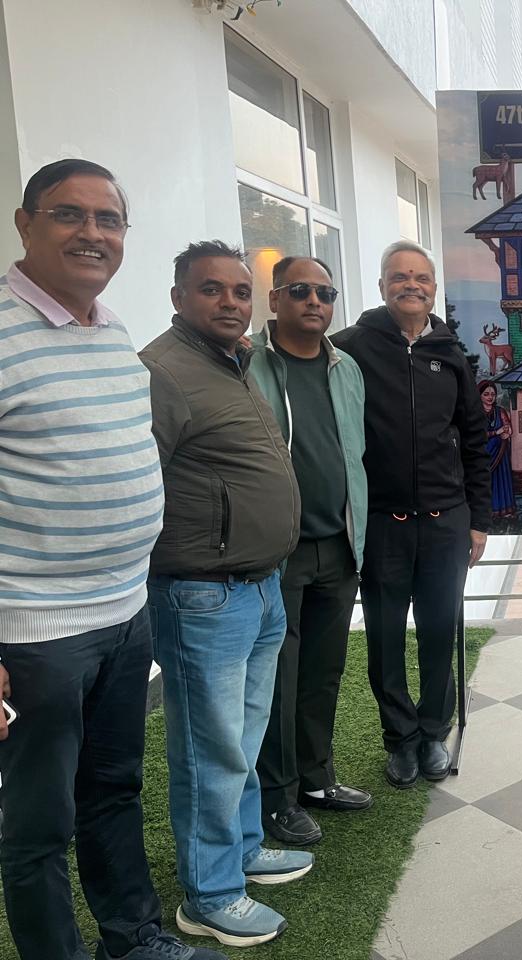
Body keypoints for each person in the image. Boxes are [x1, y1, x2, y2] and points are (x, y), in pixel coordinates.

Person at [0, 160, 224, 960]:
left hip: (125, 614)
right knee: (38, 823)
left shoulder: (112, 329)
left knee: (112, 788)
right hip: (36, 633)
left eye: (109, 219)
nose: (92, 233)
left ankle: (132, 941)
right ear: (26, 224)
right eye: (69, 214)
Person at [141, 241, 311, 947]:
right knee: (209, 750)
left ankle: (241, 849)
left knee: (242, 737)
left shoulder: (232, 363)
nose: (230, 302)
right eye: (212, 289)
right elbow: (139, 486)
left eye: (241, 291)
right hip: (202, 595)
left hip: (258, 586)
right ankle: (209, 894)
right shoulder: (162, 371)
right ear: (178, 297)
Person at [331, 241, 490, 787]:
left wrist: (478, 520)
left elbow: (475, 440)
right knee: (384, 637)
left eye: (421, 278)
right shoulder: (348, 349)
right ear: (382, 287)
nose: (411, 285)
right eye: (400, 277)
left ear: (433, 290)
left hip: (447, 523)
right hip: (383, 524)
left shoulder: (451, 354)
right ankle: (399, 739)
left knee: (440, 632)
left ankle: (432, 732)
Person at [248, 256, 370, 847]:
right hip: (280, 550)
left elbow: (353, 452)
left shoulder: (345, 367)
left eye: (325, 292)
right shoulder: (247, 363)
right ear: (275, 299)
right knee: (278, 677)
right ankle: (277, 798)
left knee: (323, 670)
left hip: (338, 545)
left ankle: (317, 778)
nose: (315, 301)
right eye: (300, 290)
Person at [479, 379, 516, 519]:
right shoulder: (475, 413)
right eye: (486, 394)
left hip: (500, 455)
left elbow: (507, 427)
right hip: (483, 454)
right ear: (479, 395)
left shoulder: (500, 411)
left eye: (493, 394)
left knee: (501, 482)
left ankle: (504, 510)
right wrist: (496, 432)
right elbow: (475, 434)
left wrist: (507, 432)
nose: (490, 397)